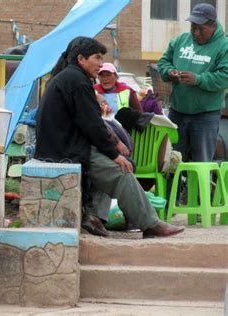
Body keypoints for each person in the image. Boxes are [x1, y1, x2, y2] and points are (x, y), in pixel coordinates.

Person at [34, 36, 184, 238]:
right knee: (122, 170)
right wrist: (114, 153)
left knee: (113, 163)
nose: (100, 63)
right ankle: (150, 224)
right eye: (96, 58)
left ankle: (94, 217)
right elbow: (92, 125)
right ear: (81, 59)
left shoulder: (68, 78)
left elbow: (90, 123)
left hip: (61, 147)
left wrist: (112, 148)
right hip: (65, 152)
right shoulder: (77, 81)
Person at [158, 3, 228, 162]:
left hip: (205, 117)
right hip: (177, 113)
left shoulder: (224, 46)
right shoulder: (181, 40)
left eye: (201, 29)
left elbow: (225, 77)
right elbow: (163, 62)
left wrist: (197, 79)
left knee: (200, 164)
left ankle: (196, 188)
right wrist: (169, 72)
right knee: (171, 162)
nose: (196, 33)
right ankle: (173, 188)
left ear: (213, 25)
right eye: (193, 27)